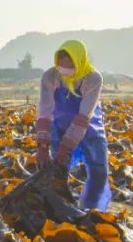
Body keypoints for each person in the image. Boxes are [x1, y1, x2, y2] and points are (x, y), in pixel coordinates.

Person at [34, 39, 111, 210]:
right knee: (58, 170)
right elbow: (45, 111)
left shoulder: (93, 78)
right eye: (61, 66)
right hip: (59, 125)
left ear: (79, 61)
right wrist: (42, 145)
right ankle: (61, 208)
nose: (65, 72)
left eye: (69, 67)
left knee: (99, 172)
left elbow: (84, 116)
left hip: (89, 127)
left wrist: (66, 147)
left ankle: (91, 209)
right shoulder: (50, 76)